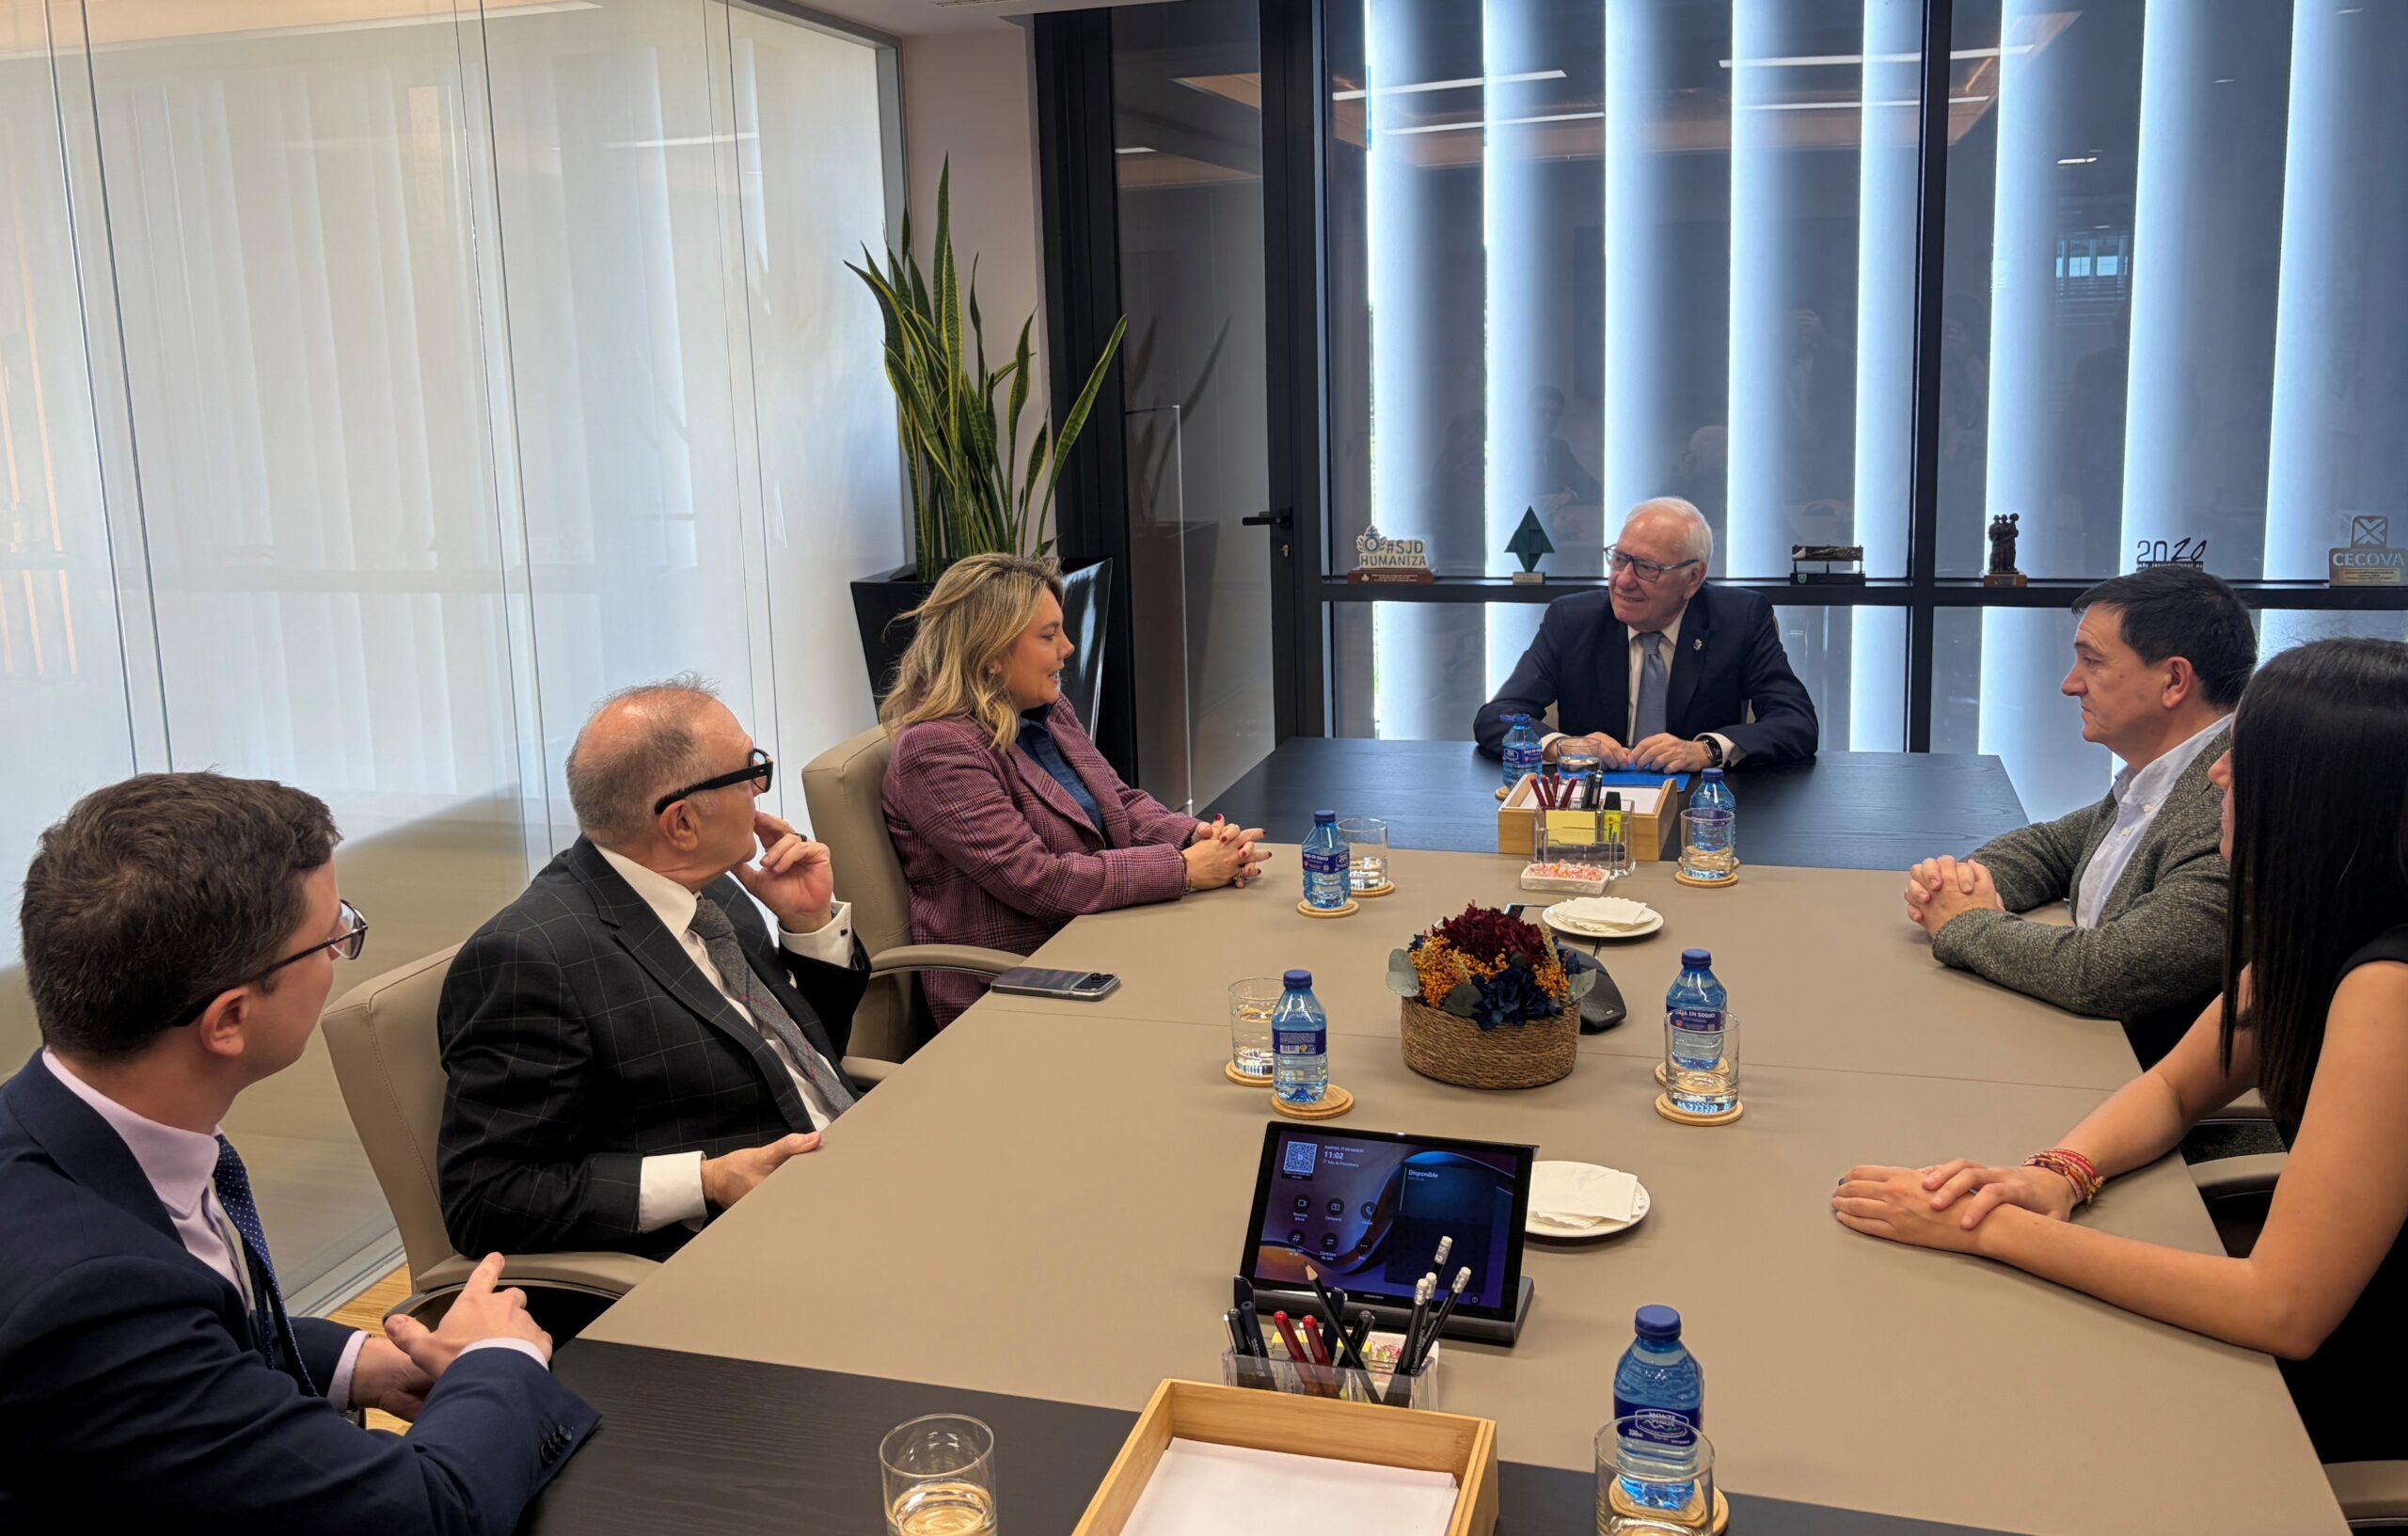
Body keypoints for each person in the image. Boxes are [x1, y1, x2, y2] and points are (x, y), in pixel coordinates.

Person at [1836, 637, 2408, 1465]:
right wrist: (2056, 1173)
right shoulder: (2319, 929)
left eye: (2248, 758)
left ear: (2325, 794)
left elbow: (2281, 1308)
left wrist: (1986, 1226)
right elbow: (2177, 1088)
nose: (2218, 774)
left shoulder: (2389, 988)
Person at [0, 772, 594, 1528]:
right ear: (229, 1019)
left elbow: (186, 1342)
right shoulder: (90, 1300)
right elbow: (425, 1517)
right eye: (331, 936)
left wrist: (358, 1365)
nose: (341, 950)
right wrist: (498, 1360)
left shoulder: (62, 1128)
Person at [439, 677, 867, 1259]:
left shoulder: (716, 890)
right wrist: (706, 1181)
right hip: (747, 1244)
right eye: (750, 772)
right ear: (682, 824)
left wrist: (807, 922)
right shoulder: (530, 958)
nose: (760, 789)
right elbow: (487, 1198)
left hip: (849, 1168)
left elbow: (811, 1058)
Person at [883, 553, 1267, 1026]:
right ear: (992, 653)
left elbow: (1119, 803)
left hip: (1101, 941)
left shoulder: (1045, 708)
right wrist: (1185, 870)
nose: (1067, 648)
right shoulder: (937, 750)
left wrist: (1198, 837)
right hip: (1022, 986)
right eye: (1049, 636)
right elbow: (1037, 880)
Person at [1904, 567, 2256, 1065]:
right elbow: (2051, 848)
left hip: (2128, 1078)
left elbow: (2109, 973)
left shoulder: (2233, 804)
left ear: (2175, 680)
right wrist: (1960, 884)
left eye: (2092, 662)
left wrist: (1966, 922)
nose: (2071, 685)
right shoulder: (2163, 777)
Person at [1473, 497, 1818, 770]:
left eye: (1646, 568)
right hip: (1591, 807)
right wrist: (1564, 746)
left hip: (1698, 808)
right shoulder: (1572, 620)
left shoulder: (1739, 619)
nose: (1623, 580)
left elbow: (1796, 721)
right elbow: (1497, 716)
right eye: (1619, 559)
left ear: (1693, 578)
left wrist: (1707, 750)